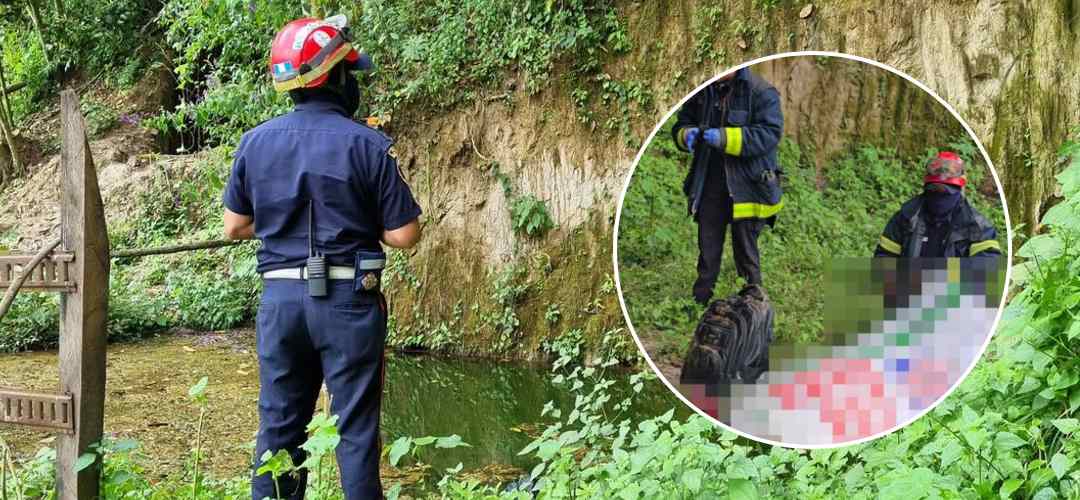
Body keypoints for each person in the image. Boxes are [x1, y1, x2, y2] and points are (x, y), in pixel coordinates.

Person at [221, 15, 422, 499]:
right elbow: (405, 233)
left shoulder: (255, 142)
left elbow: (234, 226)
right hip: (349, 302)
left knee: (279, 427)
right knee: (354, 431)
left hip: (282, 302)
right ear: (335, 77)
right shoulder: (368, 144)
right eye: (349, 72)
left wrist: (278, 223)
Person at [671, 68, 784, 306]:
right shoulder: (703, 91)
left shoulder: (761, 92)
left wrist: (726, 139)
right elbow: (682, 122)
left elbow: (769, 134)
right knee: (708, 249)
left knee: (746, 252)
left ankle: (753, 305)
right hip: (711, 183)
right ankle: (699, 302)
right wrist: (685, 135)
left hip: (749, 188)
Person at [873, 151, 1001, 258]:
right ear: (926, 188)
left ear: (959, 190)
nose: (939, 199)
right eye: (934, 191)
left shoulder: (977, 227)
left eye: (946, 193)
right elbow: (884, 257)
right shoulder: (907, 217)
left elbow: (986, 273)